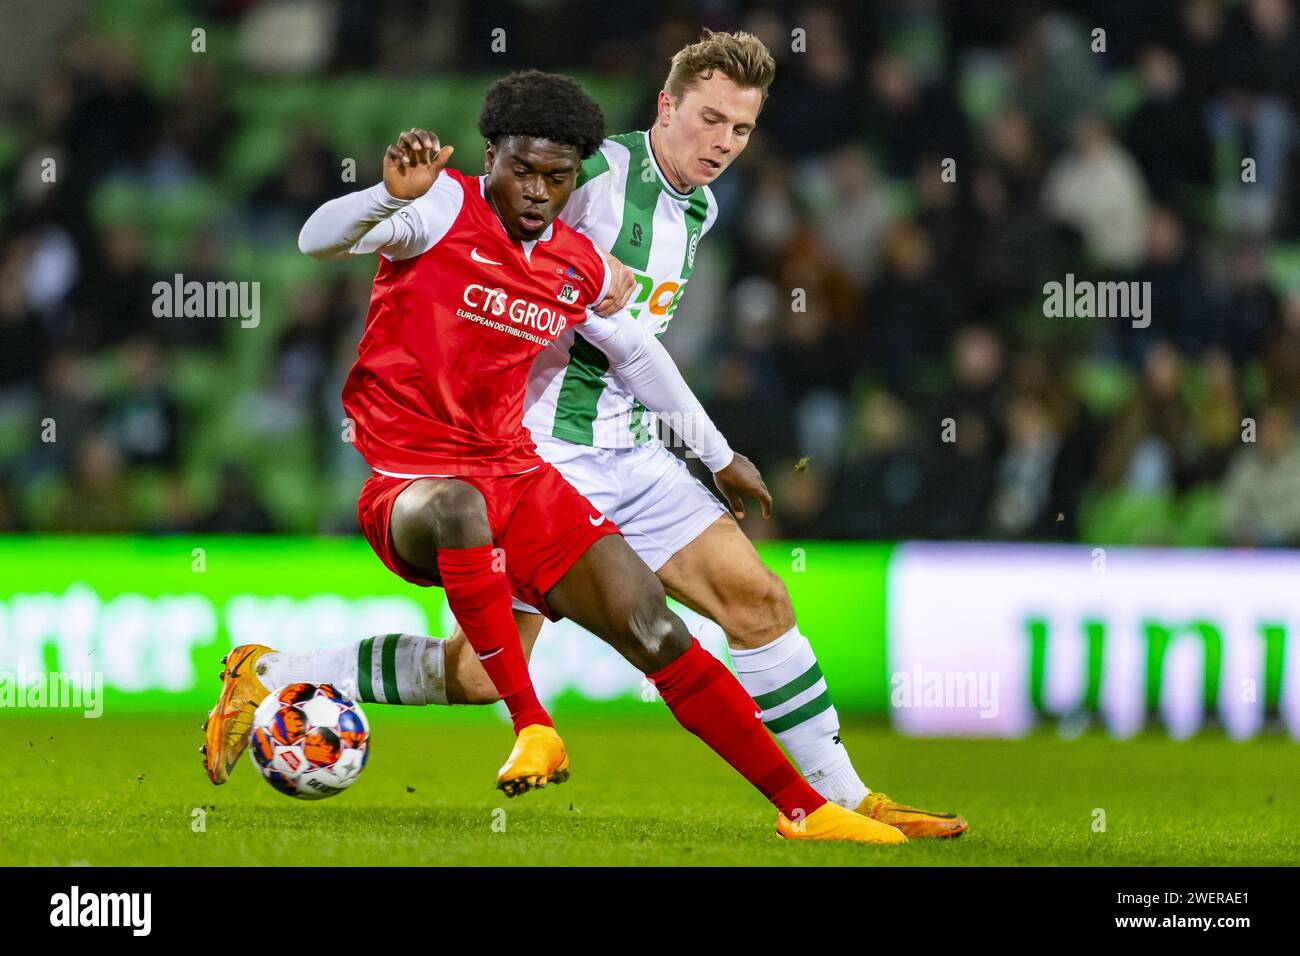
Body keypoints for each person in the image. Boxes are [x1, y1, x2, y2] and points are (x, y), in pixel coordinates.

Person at [204, 69, 905, 844]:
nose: (537, 191)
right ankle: (530, 722)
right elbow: (315, 238)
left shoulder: (579, 262)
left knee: (651, 627)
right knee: (464, 530)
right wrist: (389, 196)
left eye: (555, 177)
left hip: (522, 475)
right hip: (418, 478)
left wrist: (716, 452)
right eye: (522, 170)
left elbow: (636, 351)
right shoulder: (441, 208)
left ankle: (812, 811)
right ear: (491, 158)